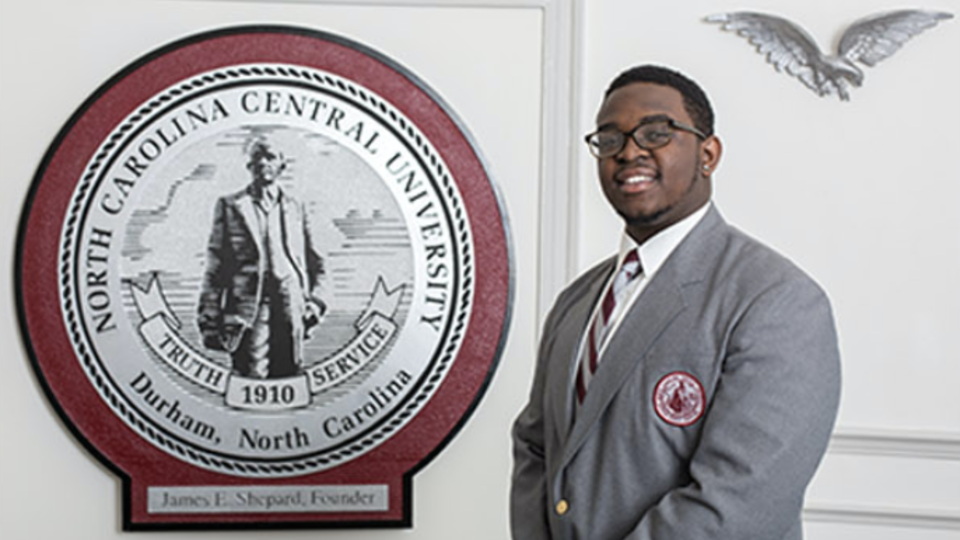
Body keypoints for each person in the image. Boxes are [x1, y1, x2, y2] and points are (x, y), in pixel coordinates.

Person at [510, 65, 841, 540]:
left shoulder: (777, 300)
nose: (629, 151)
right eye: (609, 139)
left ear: (708, 154)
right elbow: (536, 448)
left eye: (655, 133)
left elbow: (738, 502)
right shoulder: (576, 301)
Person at [198, 139, 326, 379]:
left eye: (270, 157)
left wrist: (316, 303)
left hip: (290, 304)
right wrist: (209, 319)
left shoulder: (297, 207)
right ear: (249, 165)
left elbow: (317, 262)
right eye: (257, 157)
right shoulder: (230, 206)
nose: (263, 163)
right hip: (248, 309)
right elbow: (215, 266)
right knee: (249, 377)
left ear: (282, 166)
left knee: (290, 374)